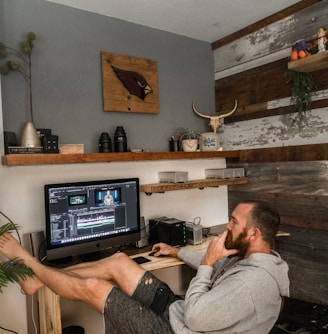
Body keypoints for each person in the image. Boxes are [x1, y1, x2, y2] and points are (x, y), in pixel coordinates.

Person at [0, 200, 289, 334]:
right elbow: (212, 267)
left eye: (234, 222)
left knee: (95, 288)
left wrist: (209, 262)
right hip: (178, 312)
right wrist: (177, 251)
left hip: (178, 328)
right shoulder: (250, 258)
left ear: (254, 233)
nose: (227, 225)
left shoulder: (253, 284)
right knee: (118, 261)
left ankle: (29, 263)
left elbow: (198, 318)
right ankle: (37, 280)